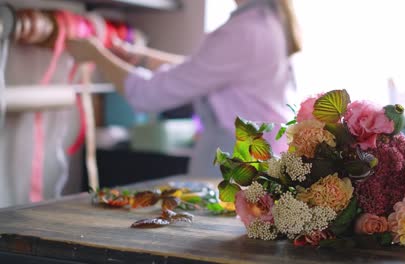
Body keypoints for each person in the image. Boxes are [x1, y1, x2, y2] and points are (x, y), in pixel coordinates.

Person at [66, 0, 302, 178]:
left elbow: (147, 95)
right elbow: (203, 70)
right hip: (256, 160)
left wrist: (96, 55)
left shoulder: (241, 31)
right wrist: (143, 58)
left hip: (233, 166)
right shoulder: (268, 22)